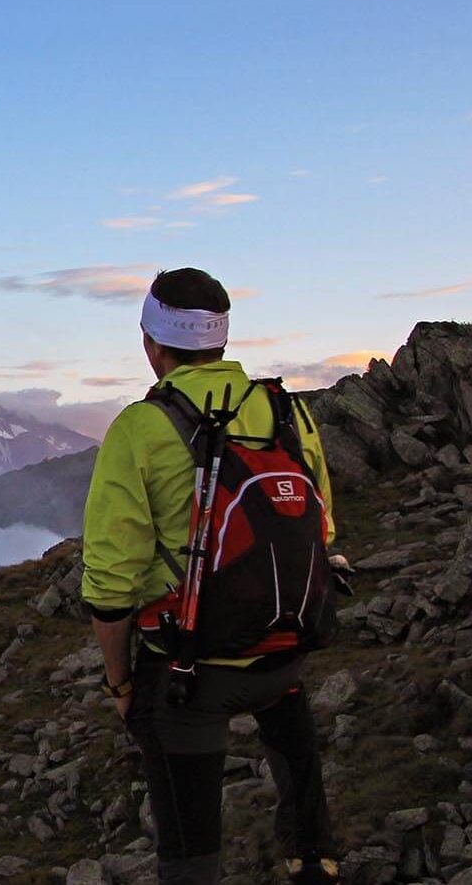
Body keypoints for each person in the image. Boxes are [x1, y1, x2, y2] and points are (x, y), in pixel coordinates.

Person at [82, 268, 341, 885]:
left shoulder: (140, 428)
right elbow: (322, 529)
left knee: (191, 851)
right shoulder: (288, 411)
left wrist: (121, 683)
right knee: (293, 748)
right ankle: (314, 858)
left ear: (152, 343)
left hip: (188, 675)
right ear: (221, 341)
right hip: (284, 655)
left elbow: (111, 584)